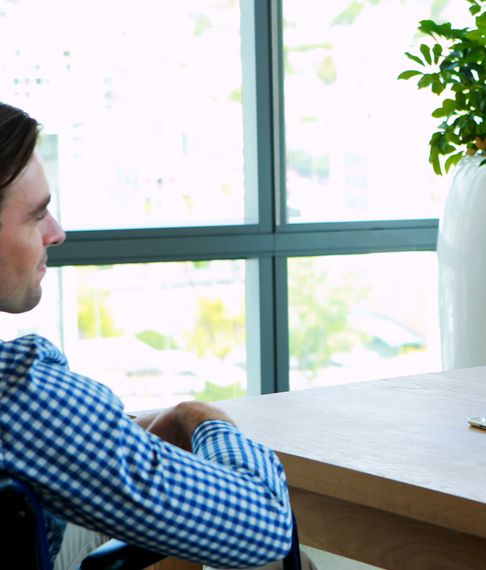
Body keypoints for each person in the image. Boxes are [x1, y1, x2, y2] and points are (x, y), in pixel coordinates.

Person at [0, 102, 295, 567]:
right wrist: (202, 419)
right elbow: (267, 521)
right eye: (37, 216)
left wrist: (117, 438)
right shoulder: (19, 393)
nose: (56, 233)